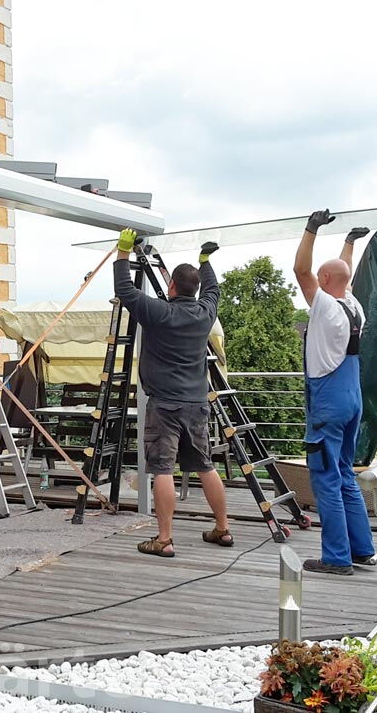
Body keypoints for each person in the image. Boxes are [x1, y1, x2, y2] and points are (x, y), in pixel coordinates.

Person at [113, 228, 229, 557]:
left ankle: (164, 539)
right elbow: (214, 290)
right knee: (205, 465)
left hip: (164, 405)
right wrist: (205, 261)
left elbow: (124, 289)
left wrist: (124, 251)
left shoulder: (159, 312)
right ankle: (222, 529)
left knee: (163, 469)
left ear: (171, 286)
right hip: (196, 403)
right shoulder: (205, 313)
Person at [292, 210, 377, 575]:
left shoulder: (325, 306)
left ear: (324, 280)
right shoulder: (354, 306)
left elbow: (301, 270)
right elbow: (342, 272)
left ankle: (337, 557)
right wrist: (350, 242)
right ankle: (362, 548)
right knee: (344, 472)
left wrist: (310, 230)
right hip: (352, 397)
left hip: (328, 401)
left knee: (325, 476)